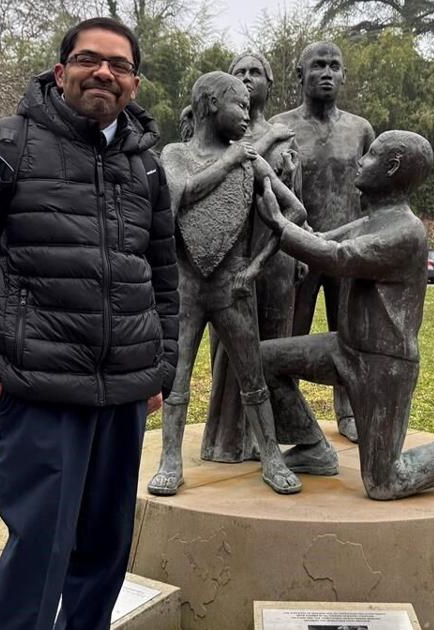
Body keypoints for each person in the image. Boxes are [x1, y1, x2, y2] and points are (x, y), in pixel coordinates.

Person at [0, 18, 177, 630]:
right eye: (89, 59)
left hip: (124, 397)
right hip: (38, 393)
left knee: (105, 553)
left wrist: (158, 368)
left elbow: (166, 279)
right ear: (61, 72)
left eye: (120, 65)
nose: (104, 72)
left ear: (134, 83)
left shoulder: (148, 169)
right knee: (39, 553)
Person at [253, 130, 434, 500]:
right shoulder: (371, 221)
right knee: (263, 359)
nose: (360, 162)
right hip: (345, 349)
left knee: (385, 482)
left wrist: (280, 227)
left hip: (384, 367)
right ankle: (313, 446)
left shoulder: (406, 231)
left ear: (391, 167)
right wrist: (272, 185)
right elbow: (321, 239)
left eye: (370, 155)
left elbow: (338, 257)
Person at [146, 71, 302, 497]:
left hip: (234, 285)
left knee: (252, 375)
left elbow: (294, 212)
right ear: (212, 105)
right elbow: (180, 196)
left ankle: (270, 455)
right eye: (240, 106)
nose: (248, 116)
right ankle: (170, 461)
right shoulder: (175, 154)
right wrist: (233, 161)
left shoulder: (251, 159)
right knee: (177, 379)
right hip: (186, 287)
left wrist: (255, 266)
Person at [269, 41, 374, 443]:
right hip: (296, 249)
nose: (327, 73)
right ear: (300, 75)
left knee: (349, 333)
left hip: (347, 249)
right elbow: (271, 187)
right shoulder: (281, 128)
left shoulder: (359, 129)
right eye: (318, 66)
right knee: (290, 336)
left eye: (334, 66)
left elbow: (374, 188)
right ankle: (288, 414)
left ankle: (348, 410)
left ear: (344, 75)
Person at [202, 51, 302, 464]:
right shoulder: (223, 132)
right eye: (238, 72)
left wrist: (302, 247)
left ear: (269, 83)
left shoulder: (284, 135)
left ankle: (274, 437)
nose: (247, 78)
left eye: (255, 72)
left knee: (273, 343)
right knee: (230, 347)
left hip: (274, 251)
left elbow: (297, 197)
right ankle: (229, 439)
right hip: (226, 255)